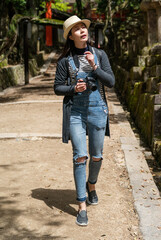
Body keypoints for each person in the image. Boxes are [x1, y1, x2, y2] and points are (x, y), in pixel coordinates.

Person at [54, 15, 115, 226]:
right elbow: (57, 87)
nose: (82, 30)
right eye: (76, 28)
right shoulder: (64, 61)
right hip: (76, 113)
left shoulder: (99, 54)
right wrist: (73, 88)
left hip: (98, 110)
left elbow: (112, 82)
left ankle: (92, 185)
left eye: (83, 27)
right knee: (80, 156)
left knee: (96, 156)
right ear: (70, 36)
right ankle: (81, 204)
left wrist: (95, 67)